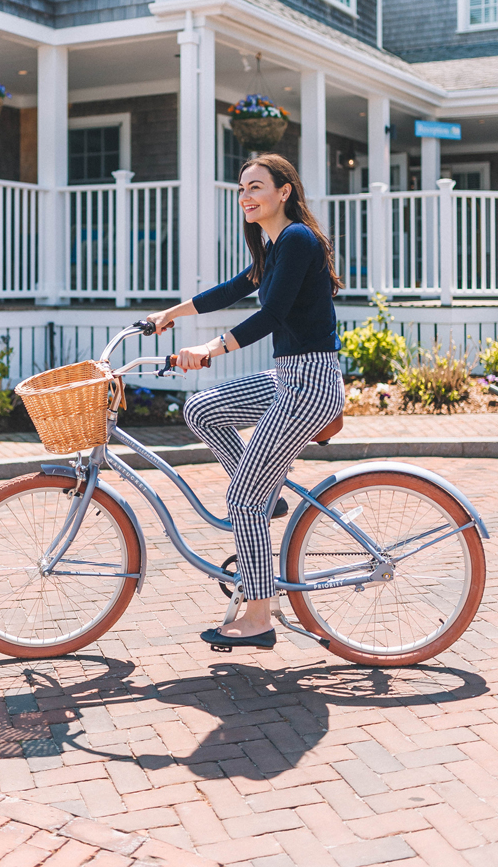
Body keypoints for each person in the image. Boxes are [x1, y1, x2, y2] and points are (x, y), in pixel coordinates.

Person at [147, 153, 344, 651]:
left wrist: (209, 350)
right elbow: (234, 289)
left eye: (257, 187)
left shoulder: (298, 239)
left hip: (310, 385)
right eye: (241, 190)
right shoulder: (275, 246)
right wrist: (170, 314)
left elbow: (272, 316)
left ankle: (258, 615)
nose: (247, 196)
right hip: (287, 377)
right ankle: (267, 494)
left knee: (242, 502)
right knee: (201, 409)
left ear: (284, 192)